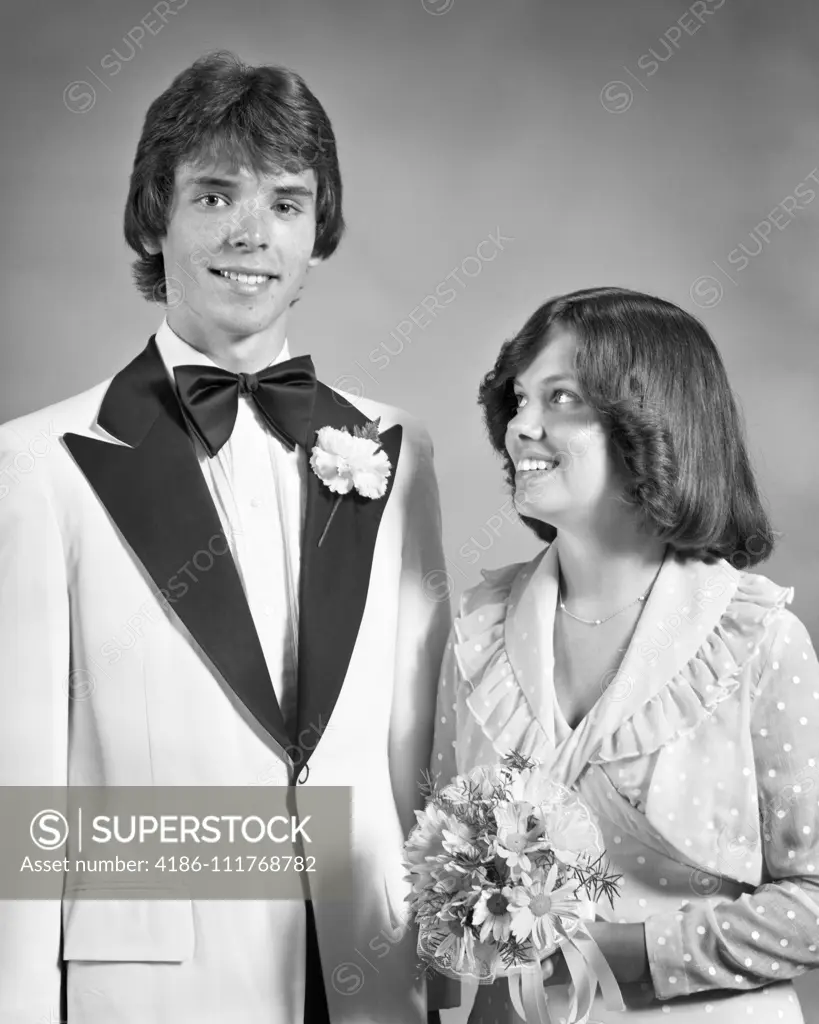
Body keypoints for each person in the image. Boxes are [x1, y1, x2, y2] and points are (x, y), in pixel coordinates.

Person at [0, 51, 452, 1024]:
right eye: (215, 195)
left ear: (318, 232)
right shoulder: (36, 467)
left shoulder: (398, 454)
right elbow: (20, 795)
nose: (253, 233)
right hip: (154, 989)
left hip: (368, 975)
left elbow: (421, 754)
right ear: (154, 214)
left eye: (287, 203)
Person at [431, 287, 819, 1022]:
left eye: (561, 398)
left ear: (652, 421)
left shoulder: (757, 638)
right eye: (517, 401)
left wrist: (630, 952)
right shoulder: (477, 632)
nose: (522, 428)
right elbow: (436, 860)